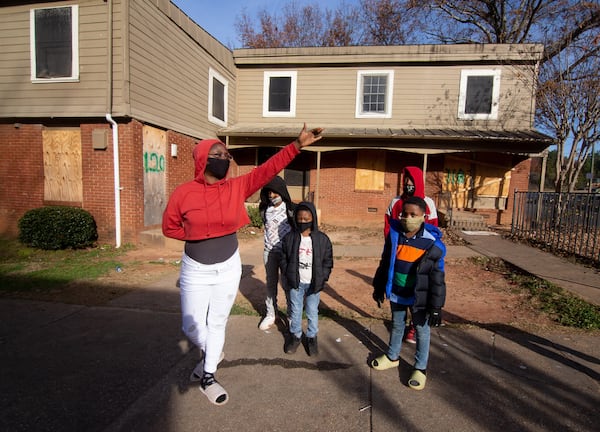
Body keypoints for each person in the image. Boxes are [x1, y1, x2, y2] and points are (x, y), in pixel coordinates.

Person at [162, 124, 323, 405]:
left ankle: (209, 374)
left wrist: (296, 145)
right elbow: (169, 227)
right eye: (216, 154)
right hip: (195, 270)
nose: (223, 159)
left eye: (226, 155)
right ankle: (215, 351)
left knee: (217, 323)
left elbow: (266, 170)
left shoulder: (236, 187)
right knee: (191, 326)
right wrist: (198, 235)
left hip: (227, 267)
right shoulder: (183, 193)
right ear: (202, 158)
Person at [371, 196, 446, 390]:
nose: (407, 217)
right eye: (404, 213)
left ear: (424, 216)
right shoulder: (395, 234)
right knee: (397, 325)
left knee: (422, 330)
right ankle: (392, 356)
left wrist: (436, 307)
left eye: (413, 214)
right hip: (397, 291)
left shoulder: (432, 243)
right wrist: (379, 286)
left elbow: (437, 278)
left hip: (419, 297)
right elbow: (385, 261)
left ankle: (420, 368)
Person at [384, 166, 439, 344]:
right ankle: (399, 327)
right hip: (399, 252)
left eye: (412, 182)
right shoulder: (396, 202)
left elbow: (433, 228)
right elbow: (388, 225)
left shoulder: (428, 203)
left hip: (420, 254)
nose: (408, 185)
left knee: (418, 290)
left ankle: (415, 327)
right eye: (406, 181)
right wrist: (392, 246)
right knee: (400, 289)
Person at [280, 201, 333, 356]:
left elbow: (327, 261)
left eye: (307, 218)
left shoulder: (322, 240)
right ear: (296, 219)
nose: (303, 221)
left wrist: (323, 278)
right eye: (300, 218)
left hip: (313, 283)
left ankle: (311, 337)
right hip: (296, 282)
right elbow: (283, 257)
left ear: (313, 219)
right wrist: (287, 272)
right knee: (295, 311)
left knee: (312, 311)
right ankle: (295, 335)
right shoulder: (289, 238)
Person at [257, 176, 296, 330]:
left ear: (281, 191)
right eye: (269, 193)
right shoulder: (264, 209)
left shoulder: (291, 209)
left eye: (275, 192)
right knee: (270, 284)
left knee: (288, 285)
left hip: (286, 254)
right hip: (270, 253)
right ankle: (271, 313)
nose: (272, 196)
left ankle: (292, 315)